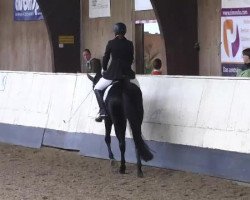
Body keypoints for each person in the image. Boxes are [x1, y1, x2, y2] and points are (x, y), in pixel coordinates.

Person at [93, 22, 136, 122]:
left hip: (113, 73)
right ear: (125, 31)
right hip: (127, 74)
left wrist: (104, 69)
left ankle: (102, 110)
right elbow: (131, 59)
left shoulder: (111, 43)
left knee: (97, 88)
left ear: (115, 31)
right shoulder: (130, 44)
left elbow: (106, 58)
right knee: (137, 87)